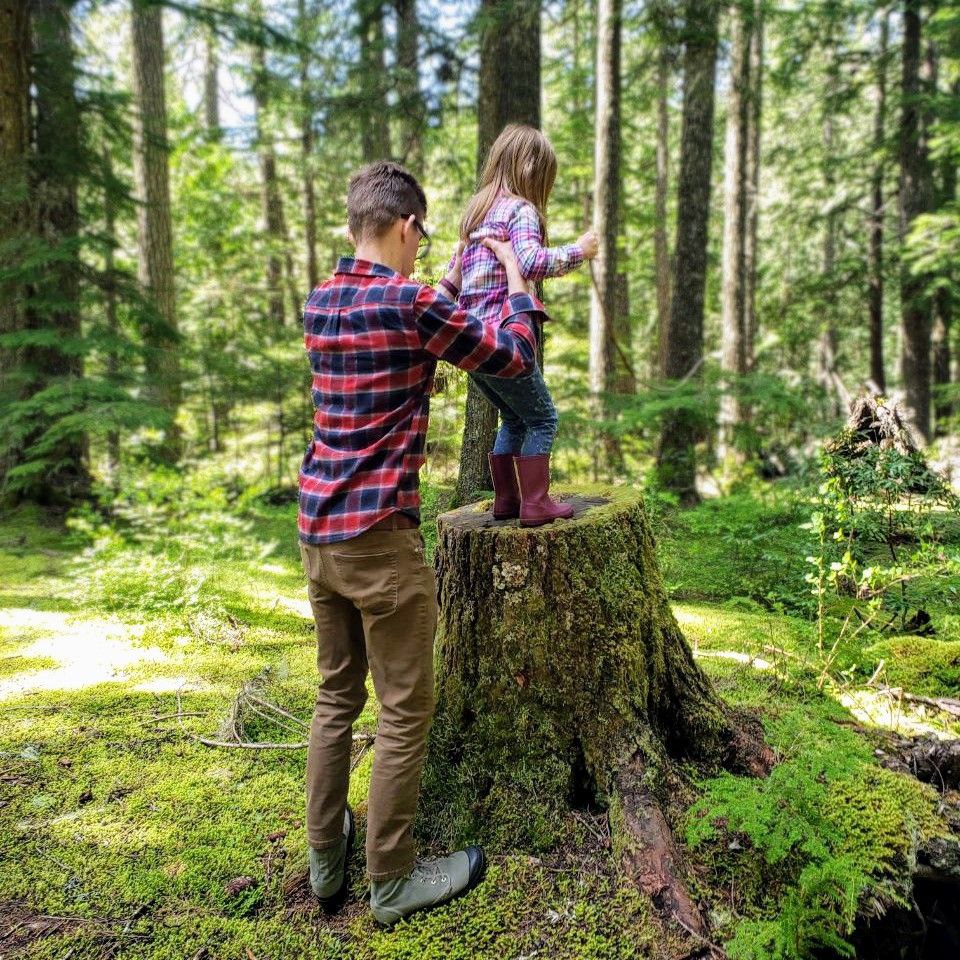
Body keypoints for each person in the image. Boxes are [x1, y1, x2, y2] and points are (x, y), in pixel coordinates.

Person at [298, 161, 545, 927]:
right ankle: (393, 878)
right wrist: (516, 290)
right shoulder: (414, 301)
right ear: (407, 227)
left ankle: (325, 862)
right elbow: (512, 360)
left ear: (353, 225)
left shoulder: (320, 301)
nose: (420, 249)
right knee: (405, 711)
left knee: (336, 696)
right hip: (382, 542)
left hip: (318, 535)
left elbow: (373, 381)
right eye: (421, 236)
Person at [456, 123, 599, 526]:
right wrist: (580, 251)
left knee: (515, 418)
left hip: (472, 342)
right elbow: (532, 262)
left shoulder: (477, 214)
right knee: (543, 418)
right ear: (531, 166)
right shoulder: (519, 211)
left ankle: (507, 501)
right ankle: (535, 503)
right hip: (507, 338)